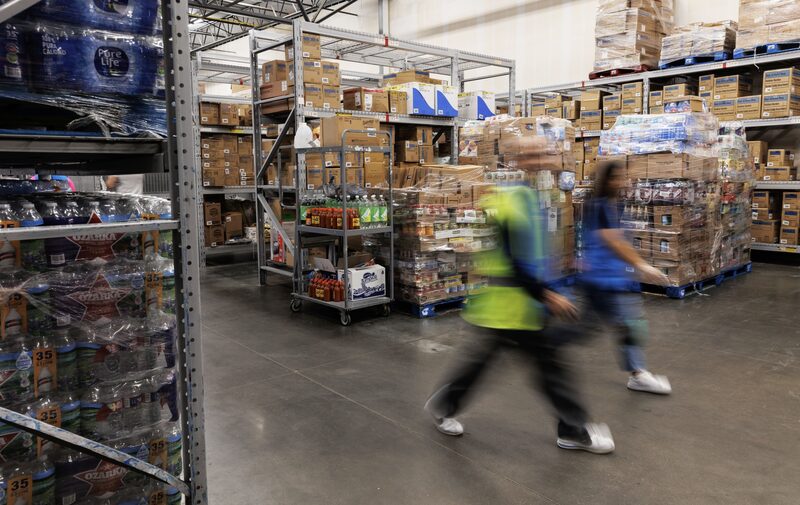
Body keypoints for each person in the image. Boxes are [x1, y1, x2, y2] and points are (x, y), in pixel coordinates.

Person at [424, 140, 615, 455]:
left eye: (546, 153)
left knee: (488, 362)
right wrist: (547, 295)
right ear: (518, 161)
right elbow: (514, 259)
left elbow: (535, 253)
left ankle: (445, 403)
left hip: (521, 303)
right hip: (510, 302)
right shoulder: (511, 201)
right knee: (548, 367)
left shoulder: (534, 197)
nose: (542, 160)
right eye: (533, 154)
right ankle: (572, 430)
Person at [578, 160, 672, 395]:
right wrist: (642, 265)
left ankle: (637, 372)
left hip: (610, 278)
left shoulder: (613, 205)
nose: (625, 181)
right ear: (608, 180)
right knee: (626, 325)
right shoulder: (599, 205)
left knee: (622, 325)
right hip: (602, 279)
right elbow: (614, 241)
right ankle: (638, 374)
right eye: (619, 177)